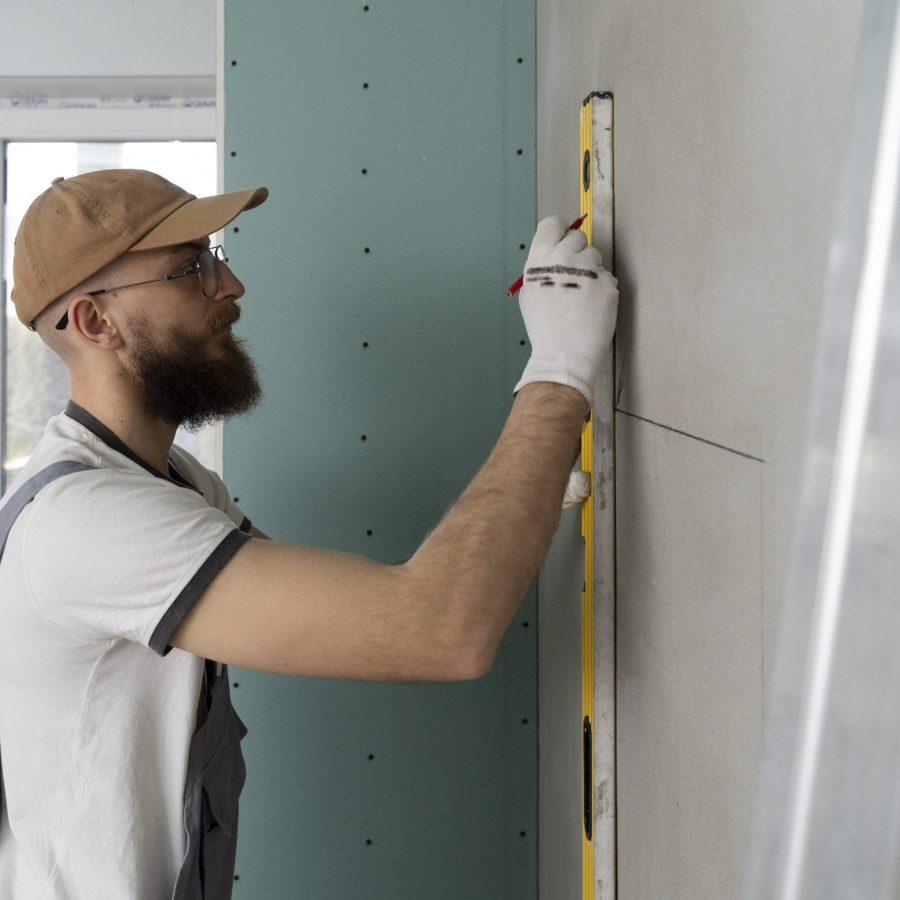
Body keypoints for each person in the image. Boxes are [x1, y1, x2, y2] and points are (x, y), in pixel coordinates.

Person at [0, 169, 618, 899]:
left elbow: (371, 604)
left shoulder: (173, 482)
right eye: (191, 268)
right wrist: (559, 370)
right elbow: (439, 629)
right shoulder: (90, 522)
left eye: (215, 253)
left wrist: (535, 494)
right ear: (96, 322)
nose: (229, 285)